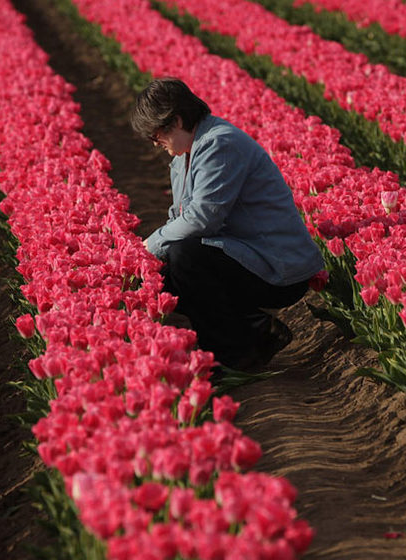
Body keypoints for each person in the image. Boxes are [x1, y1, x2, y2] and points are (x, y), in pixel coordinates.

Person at [131, 77, 325, 371]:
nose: (156, 144)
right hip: (244, 256)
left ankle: (232, 353)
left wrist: (151, 245)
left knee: (185, 258)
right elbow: (179, 217)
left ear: (177, 120)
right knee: (163, 274)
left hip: (276, 266)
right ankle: (254, 329)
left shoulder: (218, 144)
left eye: (156, 136)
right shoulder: (185, 155)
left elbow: (201, 219)